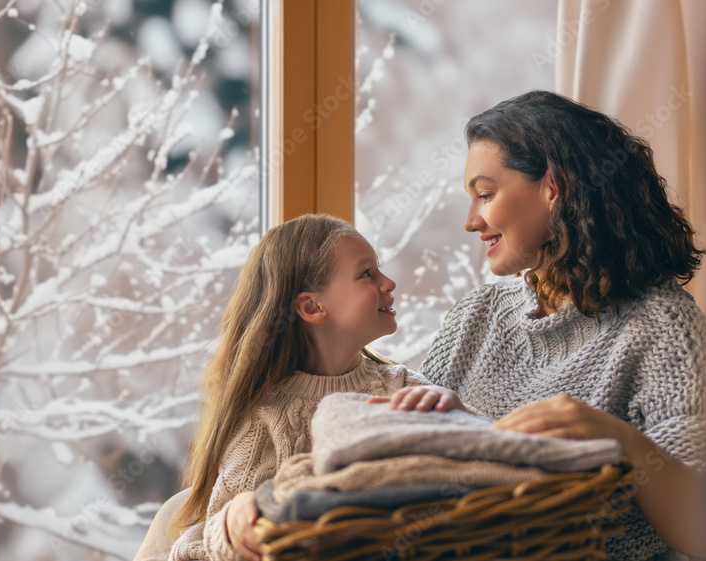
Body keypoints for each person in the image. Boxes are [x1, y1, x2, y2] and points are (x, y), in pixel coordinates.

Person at [385, 91, 706, 561]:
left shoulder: (665, 329)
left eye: (485, 194)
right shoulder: (474, 318)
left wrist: (621, 439)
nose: (470, 221)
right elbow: (396, 463)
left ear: (553, 187)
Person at [132, 214, 460, 561]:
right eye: (367, 274)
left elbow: (483, 453)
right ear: (311, 306)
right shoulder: (264, 416)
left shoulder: (402, 387)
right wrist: (232, 523)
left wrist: (451, 410)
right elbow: (217, 534)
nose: (389, 282)